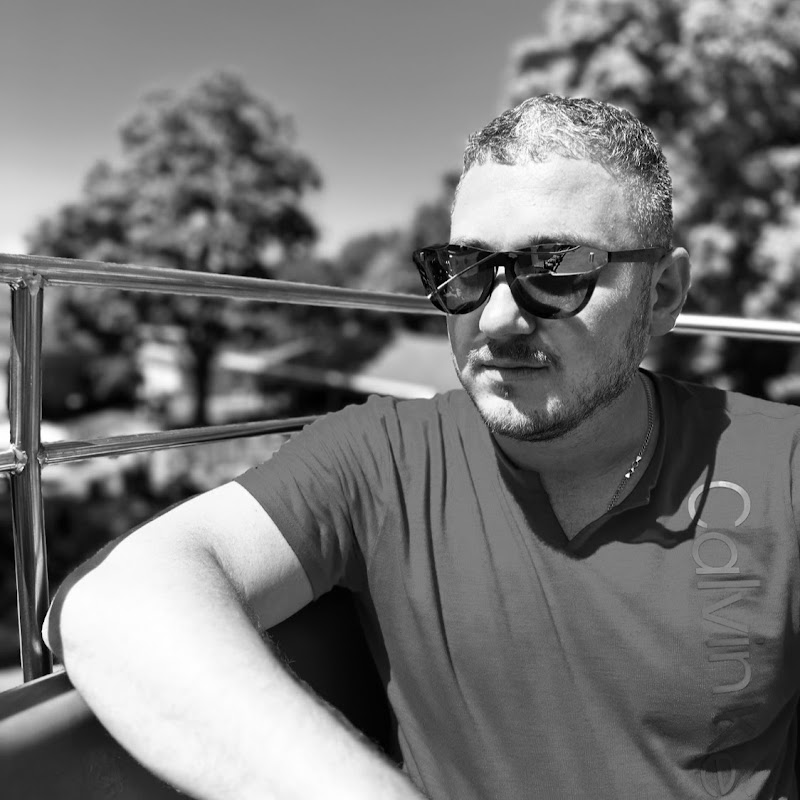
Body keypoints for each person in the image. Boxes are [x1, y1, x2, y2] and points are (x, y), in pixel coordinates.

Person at [44, 94, 800, 800]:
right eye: (464, 271)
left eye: (556, 269)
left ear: (661, 294)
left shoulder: (781, 465)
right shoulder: (388, 460)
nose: (495, 319)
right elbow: (115, 601)